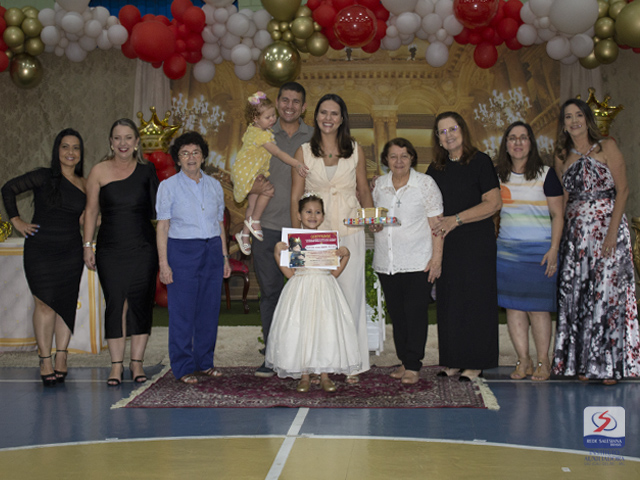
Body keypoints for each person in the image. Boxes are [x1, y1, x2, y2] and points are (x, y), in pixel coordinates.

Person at [552, 98, 640, 385]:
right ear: (563, 124)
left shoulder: (607, 147)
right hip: (577, 236)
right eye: (568, 117)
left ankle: (608, 366)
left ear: (587, 119)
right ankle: (582, 362)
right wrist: (560, 241)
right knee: (579, 296)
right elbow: (564, 202)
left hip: (607, 231)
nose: (574, 120)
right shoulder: (561, 155)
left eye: (578, 115)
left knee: (606, 295)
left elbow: (623, 190)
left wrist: (612, 233)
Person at [292, 93, 375, 380]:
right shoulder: (304, 152)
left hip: (350, 232)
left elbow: (363, 190)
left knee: (350, 298)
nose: (328, 118)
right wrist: (297, 241)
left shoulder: (355, 150)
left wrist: (372, 219)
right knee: (317, 302)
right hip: (316, 236)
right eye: (323, 112)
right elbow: (295, 197)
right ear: (316, 117)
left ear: (342, 119)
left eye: (334, 113)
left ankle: (352, 363)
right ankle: (317, 365)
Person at [2, 129, 86, 386]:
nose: (70, 152)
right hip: (40, 250)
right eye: (65, 146)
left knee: (65, 304)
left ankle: (62, 355)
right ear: (57, 150)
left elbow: (88, 218)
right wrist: (16, 221)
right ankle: (44, 359)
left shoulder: (85, 184)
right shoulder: (43, 176)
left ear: (81, 153)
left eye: (75, 148)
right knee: (45, 305)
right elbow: (8, 189)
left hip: (71, 251)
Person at [83, 118, 159, 386]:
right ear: (111, 142)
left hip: (143, 248)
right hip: (110, 249)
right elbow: (91, 211)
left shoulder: (147, 171)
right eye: (117, 138)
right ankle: (116, 365)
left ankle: (136, 362)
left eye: (128, 137)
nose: (123, 143)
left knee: (140, 302)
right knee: (116, 302)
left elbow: (159, 211)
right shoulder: (98, 171)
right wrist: (87, 244)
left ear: (137, 142)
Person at [427, 111, 502, 382]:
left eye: (453, 128)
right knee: (450, 303)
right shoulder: (435, 169)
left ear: (463, 131)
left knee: (476, 302)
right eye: (442, 131)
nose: (448, 135)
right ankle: (453, 360)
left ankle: (475, 363)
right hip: (447, 245)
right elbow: (426, 203)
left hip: (476, 244)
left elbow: (493, 203)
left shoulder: (480, 161)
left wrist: (455, 220)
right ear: (438, 138)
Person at [156, 131, 231, 384]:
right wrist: (164, 264)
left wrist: (225, 257)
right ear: (177, 159)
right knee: (182, 312)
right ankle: (183, 367)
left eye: (196, 152)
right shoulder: (168, 186)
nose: (191, 157)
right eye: (185, 153)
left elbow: (219, 224)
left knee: (209, 311)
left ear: (203, 156)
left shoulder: (215, 186)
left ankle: (204, 363)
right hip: (182, 251)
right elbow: (163, 226)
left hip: (212, 250)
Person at [265, 194, 361, 392]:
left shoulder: (329, 241)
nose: (313, 216)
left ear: (323, 216)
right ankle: (305, 375)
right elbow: (290, 274)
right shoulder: (294, 242)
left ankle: (325, 375)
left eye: (317, 212)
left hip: (325, 290)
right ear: (299, 215)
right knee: (302, 330)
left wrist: (345, 256)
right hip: (300, 290)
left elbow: (334, 273)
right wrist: (277, 253)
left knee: (325, 331)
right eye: (308, 212)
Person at [251, 82, 314, 378]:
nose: (290, 106)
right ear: (276, 103)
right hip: (267, 229)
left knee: (304, 293)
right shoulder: (261, 132)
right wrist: (252, 186)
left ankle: (304, 355)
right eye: (285, 100)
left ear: (304, 107)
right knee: (271, 293)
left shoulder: (313, 136)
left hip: (303, 232)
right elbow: (244, 172)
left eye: (296, 101)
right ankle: (273, 356)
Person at [495, 122, 564, 382]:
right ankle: (523, 360)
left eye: (523, 138)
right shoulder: (497, 176)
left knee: (538, 310)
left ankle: (543, 361)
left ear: (531, 143)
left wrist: (554, 249)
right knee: (513, 309)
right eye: (512, 138)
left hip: (540, 253)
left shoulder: (546, 174)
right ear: (506, 145)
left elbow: (558, 215)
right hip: (508, 254)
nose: (518, 143)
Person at [372, 138, 444, 385]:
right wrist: (374, 225)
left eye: (404, 155)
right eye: (393, 156)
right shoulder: (379, 185)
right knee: (398, 316)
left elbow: (437, 225)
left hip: (418, 262)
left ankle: (413, 364)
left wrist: (437, 259)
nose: (399, 161)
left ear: (412, 158)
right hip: (387, 262)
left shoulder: (425, 184)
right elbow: (375, 221)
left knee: (415, 315)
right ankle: (404, 360)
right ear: (386, 160)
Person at [230, 92, 309, 255]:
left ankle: (244, 235)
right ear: (255, 119)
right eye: (268, 117)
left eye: (273, 115)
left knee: (252, 204)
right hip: (249, 172)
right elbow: (278, 153)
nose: (272, 119)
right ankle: (255, 220)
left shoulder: (253, 129)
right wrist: (296, 163)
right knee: (268, 190)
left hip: (248, 170)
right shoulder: (262, 135)